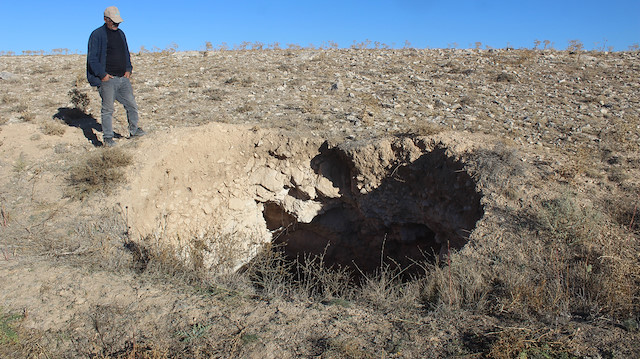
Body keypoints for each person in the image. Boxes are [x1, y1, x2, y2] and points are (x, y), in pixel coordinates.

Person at [87, 6, 145, 147]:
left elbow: (126, 53)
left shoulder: (121, 34)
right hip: (108, 79)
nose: (116, 24)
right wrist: (102, 75)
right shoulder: (97, 34)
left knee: (131, 104)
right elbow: (92, 58)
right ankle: (108, 138)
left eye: (118, 22)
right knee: (108, 109)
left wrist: (128, 69)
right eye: (113, 22)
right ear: (106, 19)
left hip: (122, 78)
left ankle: (134, 130)